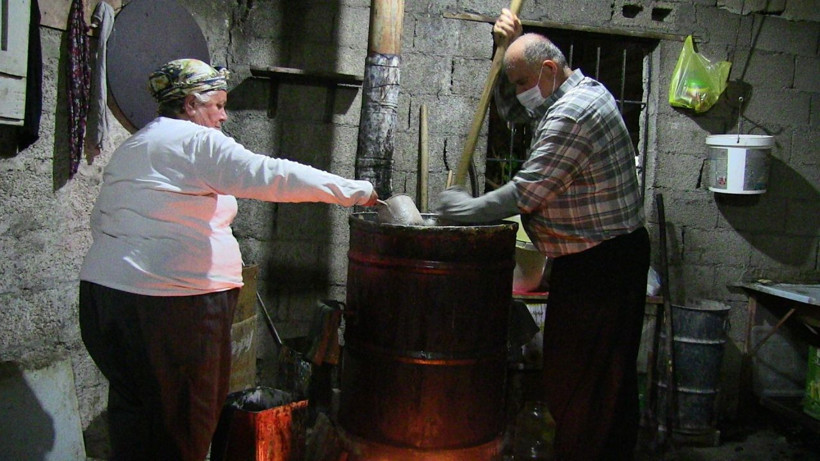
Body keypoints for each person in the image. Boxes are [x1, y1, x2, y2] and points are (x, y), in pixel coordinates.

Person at [78, 58, 378, 461]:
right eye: (217, 105)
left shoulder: (135, 145)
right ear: (190, 104)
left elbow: (102, 219)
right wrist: (357, 191)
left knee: (136, 417)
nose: (223, 115)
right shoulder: (197, 142)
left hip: (105, 299)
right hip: (170, 307)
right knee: (184, 423)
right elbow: (271, 175)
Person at [437, 10, 649, 460]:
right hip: (592, 259)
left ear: (549, 70)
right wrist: (506, 50)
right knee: (594, 384)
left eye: (521, 81)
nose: (519, 91)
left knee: (586, 388)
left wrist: (466, 209)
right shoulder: (566, 93)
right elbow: (514, 112)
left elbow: (526, 192)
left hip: (604, 265)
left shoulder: (575, 112)